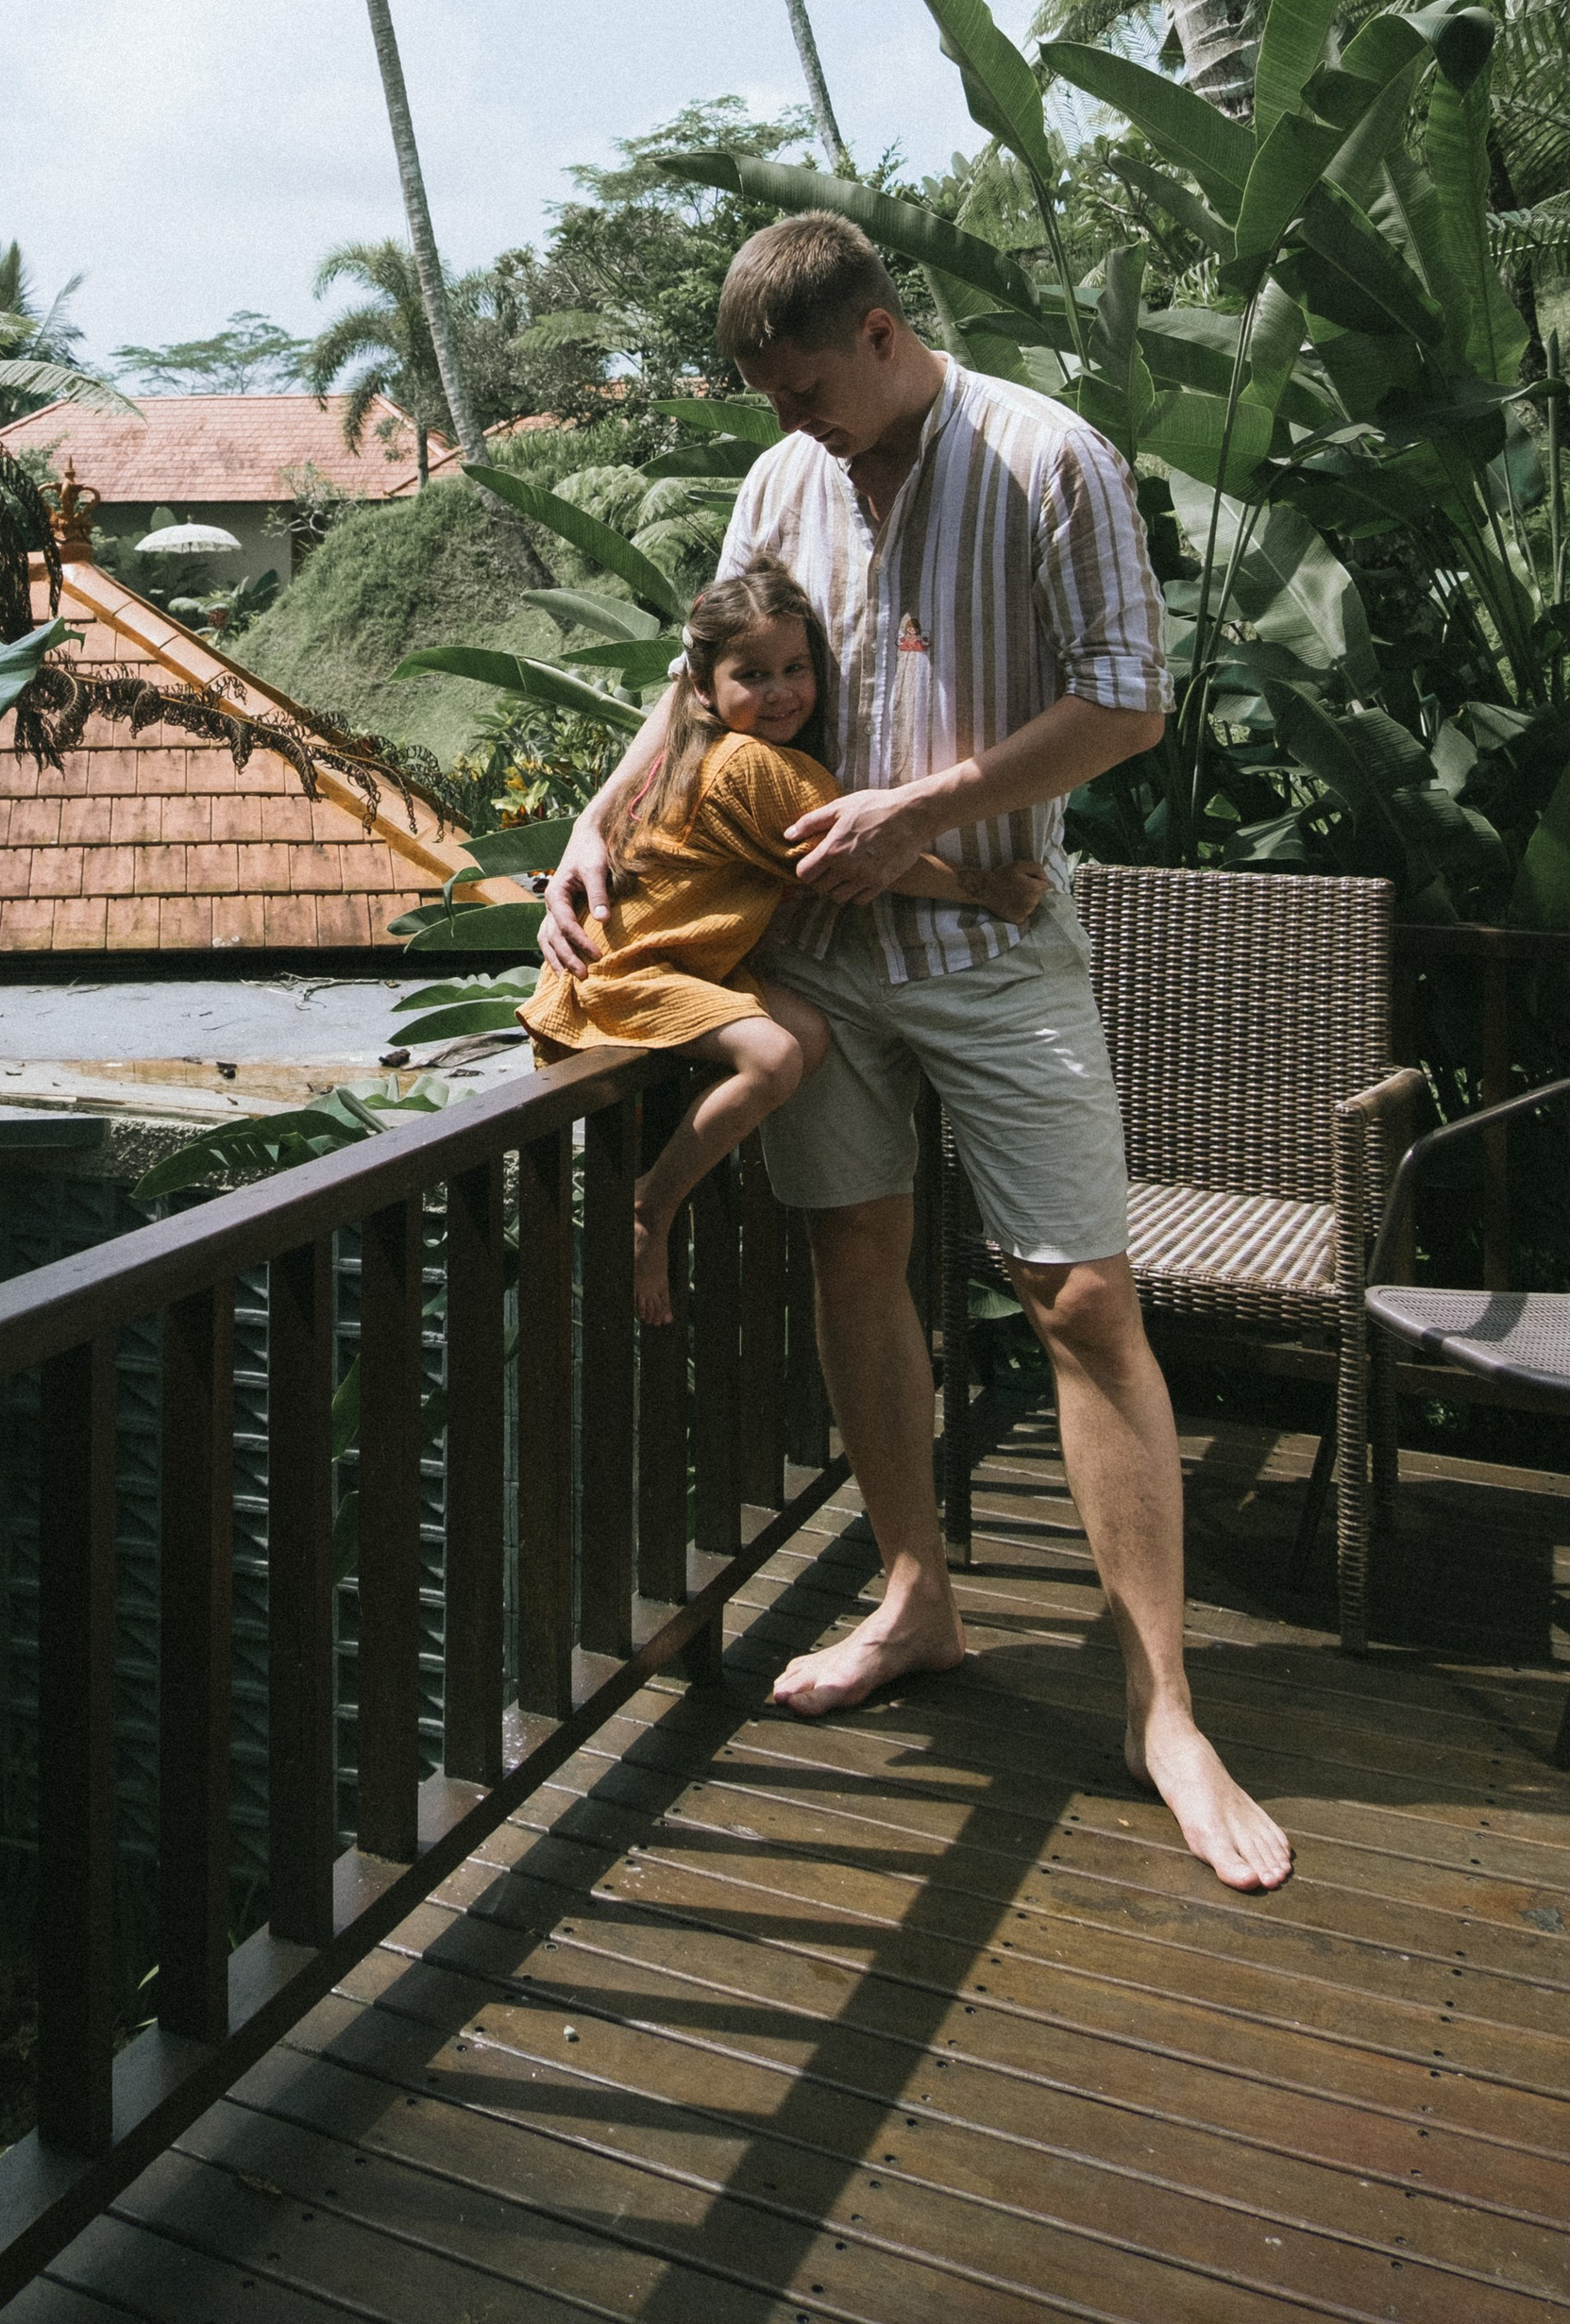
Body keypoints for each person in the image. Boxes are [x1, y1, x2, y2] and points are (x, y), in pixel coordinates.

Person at [538, 212, 1293, 1895]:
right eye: (769, 396)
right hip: (814, 960)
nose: (788, 420)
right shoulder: (782, 483)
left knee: (1083, 1294)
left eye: (804, 385)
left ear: (879, 332)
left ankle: (1162, 1708)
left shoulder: (1050, 457)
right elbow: (693, 688)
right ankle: (917, 1594)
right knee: (855, 1250)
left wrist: (921, 814)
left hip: (991, 941)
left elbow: (1128, 701)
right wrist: (595, 830)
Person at [521, 561, 1044, 1322]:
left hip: (647, 961)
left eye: (796, 669)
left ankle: (673, 1156)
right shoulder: (755, 766)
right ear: (701, 686)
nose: (781, 692)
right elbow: (867, 855)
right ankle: (651, 1206)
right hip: (630, 971)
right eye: (753, 674)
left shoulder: (693, 747)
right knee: (774, 1057)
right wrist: (985, 889)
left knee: (806, 1031)